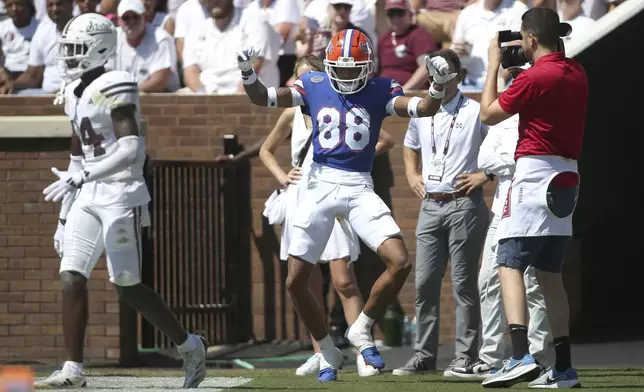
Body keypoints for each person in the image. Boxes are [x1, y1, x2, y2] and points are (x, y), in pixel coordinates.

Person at [237, 28, 454, 381]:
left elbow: (425, 107)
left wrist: (438, 84)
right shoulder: (314, 83)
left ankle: (361, 327)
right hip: (318, 184)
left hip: (358, 185)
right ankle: (327, 349)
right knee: (296, 281)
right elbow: (263, 97)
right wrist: (248, 72)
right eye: (342, 68)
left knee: (399, 261)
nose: (349, 74)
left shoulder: (382, 88)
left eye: (356, 69)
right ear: (329, 64)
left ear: (368, 67)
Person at [36, 13, 207, 389]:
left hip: (121, 195)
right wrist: (64, 213)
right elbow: (78, 156)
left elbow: (131, 148)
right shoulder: (75, 91)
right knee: (70, 276)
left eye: (76, 50)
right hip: (89, 195)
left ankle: (189, 344)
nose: (69, 57)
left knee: (127, 286)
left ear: (99, 48)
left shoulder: (115, 83)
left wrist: (84, 176)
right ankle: (73, 369)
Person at [261, 55, 395, 377]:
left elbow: (386, 139)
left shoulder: (340, 107)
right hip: (303, 196)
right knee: (303, 280)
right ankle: (323, 354)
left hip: (336, 189)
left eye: (313, 77)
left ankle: (362, 348)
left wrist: (353, 155)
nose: (306, 84)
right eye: (301, 78)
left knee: (343, 278)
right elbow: (266, 150)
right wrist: (283, 176)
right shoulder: (291, 112)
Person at [478, 7, 587, 389]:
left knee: (507, 262)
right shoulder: (576, 71)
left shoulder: (535, 76)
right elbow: (545, 88)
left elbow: (489, 114)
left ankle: (520, 355)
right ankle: (564, 367)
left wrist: (492, 65)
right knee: (550, 276)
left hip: (534, 175)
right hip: (567, 177)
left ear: (529, 39)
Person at [395, 48, 490, 378]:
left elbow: (505, 146)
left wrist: (484, 174)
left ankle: (466, 356)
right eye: (432, 70)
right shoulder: (423, 108)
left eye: (443, 71)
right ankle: (424, 355)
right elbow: (410, 144)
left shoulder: (476, 111)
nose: (437, 77)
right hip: (430, 204)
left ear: (457, 76)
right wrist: (411, 174)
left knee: (463, 282)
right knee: (424, 283)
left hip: (464, 203)